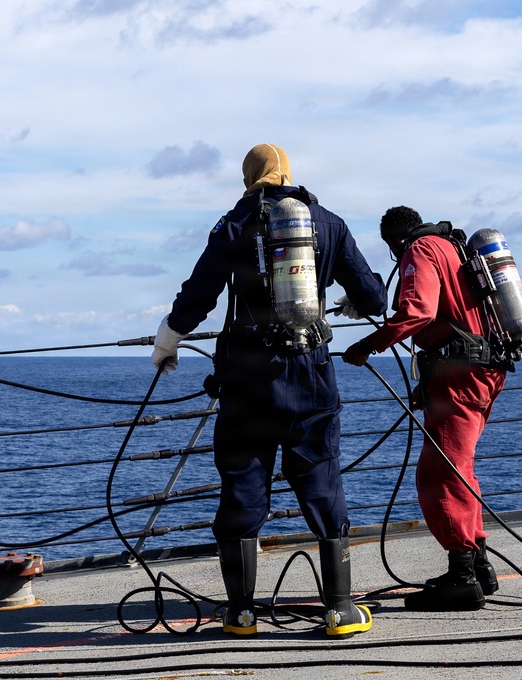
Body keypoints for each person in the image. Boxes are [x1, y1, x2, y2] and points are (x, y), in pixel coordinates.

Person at [151, 143, 387, 638]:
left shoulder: (231, 226)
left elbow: (199, 294)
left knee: (242, 481)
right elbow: (373, 297)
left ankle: (240, 613)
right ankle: (339, 609)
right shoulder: (328, 222)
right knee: (321, 478)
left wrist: (168, 341)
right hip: (310, 372)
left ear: (249, 179)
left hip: (247, 376)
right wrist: (342, 301)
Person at [341, 206, 507, 611]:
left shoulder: (419, 249)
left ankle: (462, 577)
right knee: (459, 469)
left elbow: (419, 312)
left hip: (461, 376)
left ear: (394, 239)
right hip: (480, 369)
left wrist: (368, 346)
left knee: (440, 474)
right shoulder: (452, 247)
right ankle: (478, 565)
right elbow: (453, 319)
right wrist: (427, 380)